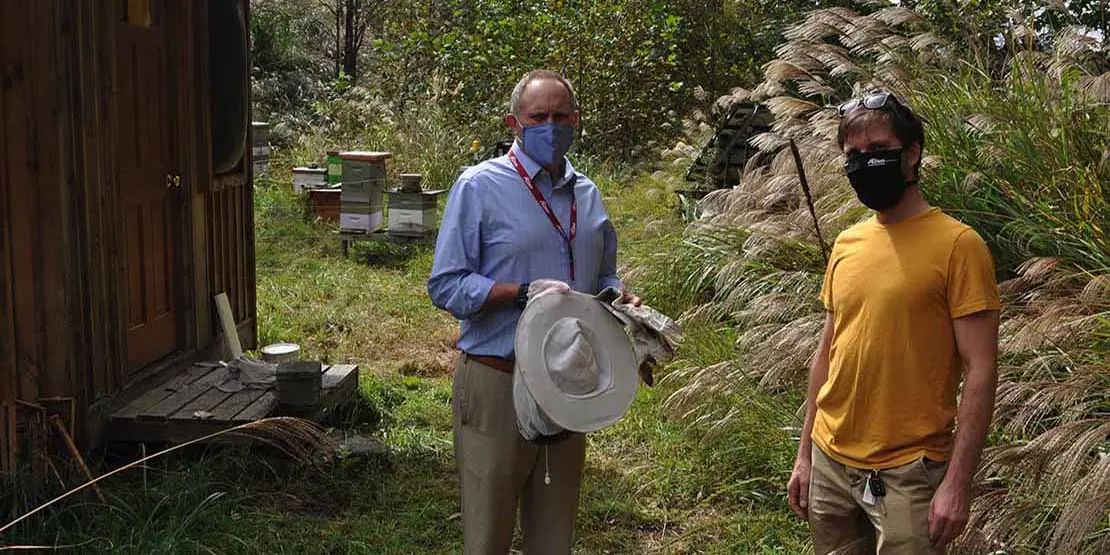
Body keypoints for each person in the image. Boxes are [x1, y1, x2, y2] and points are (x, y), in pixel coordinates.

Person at [427, 69, 640, 555]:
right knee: (488, 537)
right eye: (538, 117)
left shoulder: (587, 195)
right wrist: (520, 293)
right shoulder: (479, 186)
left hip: (569, 384)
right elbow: (446, 284)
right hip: (498, 380)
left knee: (553, 537)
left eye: (561, 117)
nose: (551, 126)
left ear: (576, 120)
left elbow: (603, 277)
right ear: (514, 123)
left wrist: (620, 298)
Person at [786, 91, 1001, 554]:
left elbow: (981, 369)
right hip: (830, 462)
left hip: (910, 473)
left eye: (880, 150)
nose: (866, 163)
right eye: (854, 154)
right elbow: (827, 354)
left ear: (912, 153)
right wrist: (805, 455)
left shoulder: (959, 246)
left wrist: (957, 483)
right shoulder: (848, 244)